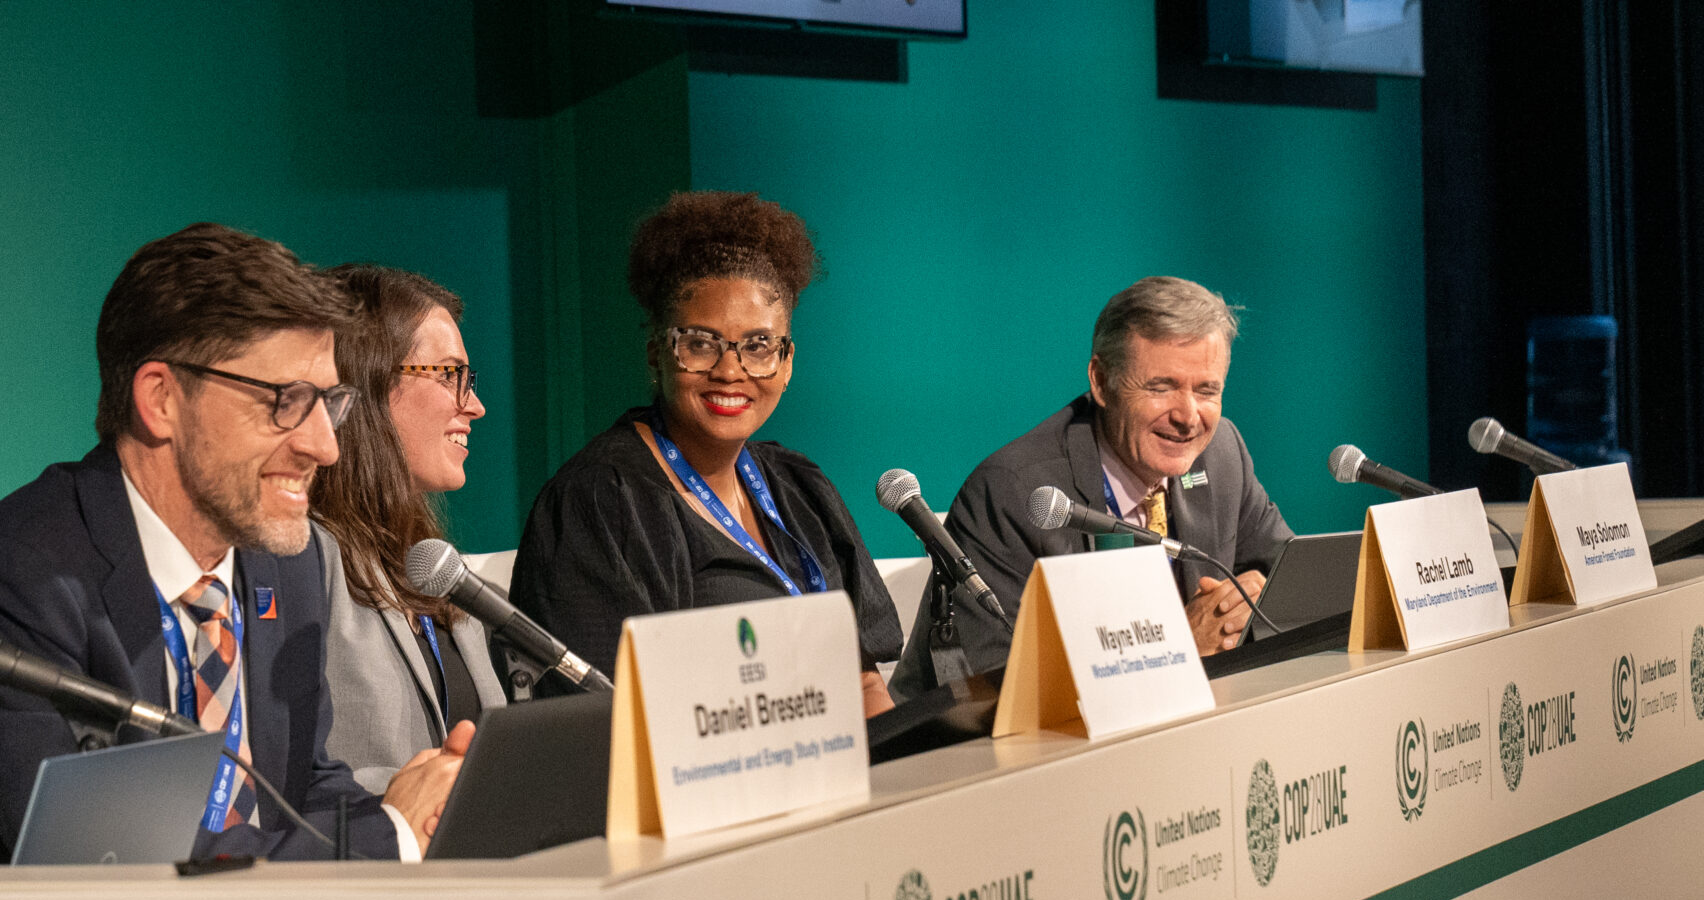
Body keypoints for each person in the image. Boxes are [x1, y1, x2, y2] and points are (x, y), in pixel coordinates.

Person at [0, 224, 467, 863]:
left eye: (329, 404)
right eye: (285, 402)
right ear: (161, 399)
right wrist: (387, 834)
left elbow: (302, 789)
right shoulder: (19, 575)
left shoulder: (287, 562)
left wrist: (437, 813)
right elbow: (111, 862)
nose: (323, 447)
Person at [509, 191, 901, 713]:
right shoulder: (599, 501)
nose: (730, 371)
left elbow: (866, 686)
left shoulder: (800, 486)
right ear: (657, 353)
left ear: (786, 363)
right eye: (701, 343)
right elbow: (606, 721)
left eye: (758, 346)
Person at [889, 276, 1294, 698]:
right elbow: (986, 689)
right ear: (1101, 381)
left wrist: (1253, 596)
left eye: (1207, 390)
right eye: (1162, 387)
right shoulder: (1013, 493)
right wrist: (1176, 651)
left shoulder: (1221, 453)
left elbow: (1290, 578)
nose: (1189, 416)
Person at [308, 265, 509, 793]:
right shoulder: (307, 558)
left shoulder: (431, 564)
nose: (474, 405)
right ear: (369, 379)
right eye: (449, 375)